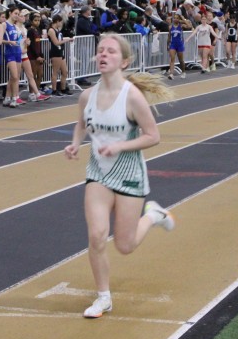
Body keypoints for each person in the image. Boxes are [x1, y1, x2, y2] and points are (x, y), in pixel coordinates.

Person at [63, 33, 177, 318]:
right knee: (97, 236)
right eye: (100, 50)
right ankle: (103, 297)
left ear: (124, 62)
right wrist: (75, 143)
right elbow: (81, 124)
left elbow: (153, 136)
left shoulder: (132, 97)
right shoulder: (87, 96)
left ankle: (153, 215)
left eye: (111, 51)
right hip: (98, 173)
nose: (103, 54)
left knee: (125, 245)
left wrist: (120, 146)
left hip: (129, 174)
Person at [47, 14, 73, 96]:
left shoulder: (57, 29)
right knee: (55, 72)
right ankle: (54, 90)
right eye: (60, 22)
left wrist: (67, 39)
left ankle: (63, 88)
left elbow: (59, 40)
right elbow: (56, 42)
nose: (61, 24)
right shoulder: (51, 30)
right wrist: (67, 40)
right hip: (55, 52)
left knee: (65, 71)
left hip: (60, 51)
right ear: (57, 21)